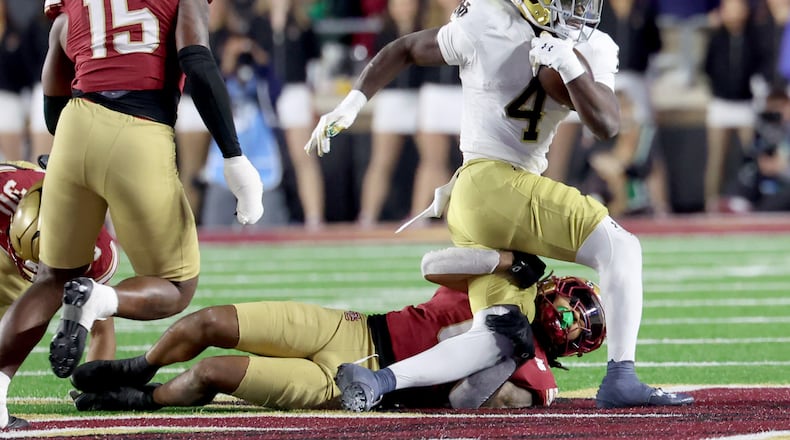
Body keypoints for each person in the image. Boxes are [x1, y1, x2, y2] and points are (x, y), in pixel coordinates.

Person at [305, 0, 693, 411]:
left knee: (497, 335)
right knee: (621, 248)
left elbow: (607, 123)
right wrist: (351, 102)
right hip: (495, 181)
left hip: (473, 198)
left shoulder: (593, 45)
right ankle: (621, 376)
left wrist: (570, 64)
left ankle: (380, 381)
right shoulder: (488, 19)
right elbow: (405, 49)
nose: (579, 8)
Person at [0, 0, 265, 429]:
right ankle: (98, 298)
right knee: (176, 286)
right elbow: (196, 59)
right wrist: (234, 156)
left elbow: (56, 71)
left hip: (76, 124)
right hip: (141, 131)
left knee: (51, 276)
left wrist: (69, 144)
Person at [67, 274, 605, 411]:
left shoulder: (536, 377)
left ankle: (145, 397)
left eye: (572, 318)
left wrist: (508, 351)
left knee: (211, 375)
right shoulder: (500, 287)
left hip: (355, 385)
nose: (560, 313)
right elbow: (434, 266)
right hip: (352, 327)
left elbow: (466, 400)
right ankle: (139, 366)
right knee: (205, 322)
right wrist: (506, 265)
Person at [0, 160, 119, 428]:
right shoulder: (4, 194)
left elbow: (101, 327)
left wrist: (94, 386)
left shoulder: (94, 251)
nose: (33, 268)